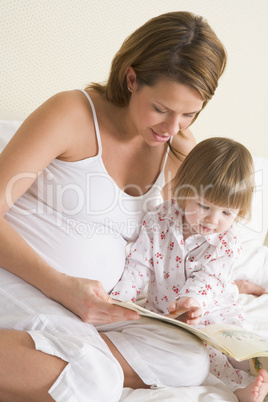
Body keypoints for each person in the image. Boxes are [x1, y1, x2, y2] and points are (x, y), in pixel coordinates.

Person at [0, 10, 231, 401]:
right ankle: (73, 363)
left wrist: (178, 301)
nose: (172, 127)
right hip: (22, 282)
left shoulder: (176, 149)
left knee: (190, 361)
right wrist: (63, 288)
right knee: (94, 380)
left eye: (189, 114)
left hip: (91, 307)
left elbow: (171, 249)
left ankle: (51, 359)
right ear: (131, 78)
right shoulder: (71, 113)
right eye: (161, 108)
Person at [107, 137, 268, 402]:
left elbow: (210, 277)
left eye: (227, 213)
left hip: (215, 307)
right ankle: (240, 391)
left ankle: (257, 377)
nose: (213, 220)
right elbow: (138, 264)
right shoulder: (158, 220)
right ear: (184, 190)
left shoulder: (227, 240)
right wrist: (119, 301)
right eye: (203, 206)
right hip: (166, 312)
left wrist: (193, 300)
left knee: (240, 348)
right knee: (202, 358)